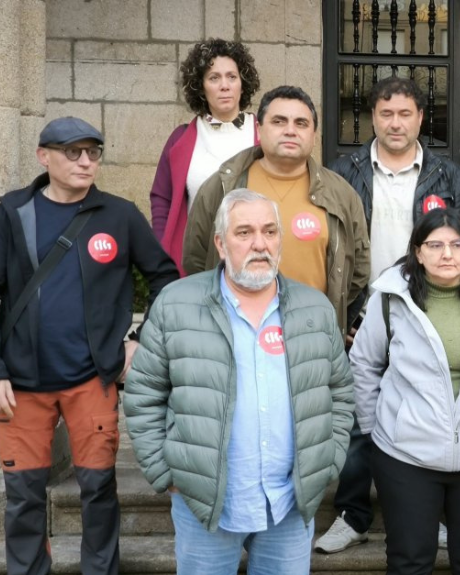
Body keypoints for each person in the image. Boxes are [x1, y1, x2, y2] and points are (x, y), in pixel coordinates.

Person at [0, 116, 179, 575]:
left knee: (98, 490)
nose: (86, 161)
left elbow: (166, 279)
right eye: (73, 152)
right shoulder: (11, 213)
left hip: (92, 379)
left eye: (93, 152)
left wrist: (139, 342)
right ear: (44, 156)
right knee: (23, 497)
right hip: (19, 384)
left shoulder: (119, 215)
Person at [124, 189, 354, 574]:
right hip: (206, 502)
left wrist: (326, 463)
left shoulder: (314, 308)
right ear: (220, 242)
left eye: (269, 231)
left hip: (288, 504)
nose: (259, 244)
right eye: (244, 232)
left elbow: (341, 392)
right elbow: (144, 395)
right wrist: (165, 473)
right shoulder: (176, 304)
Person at [315, 76, 460, 554]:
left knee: (427, 413)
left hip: (428, 311)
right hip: (364, 311)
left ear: (421, 119)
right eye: (386, 114)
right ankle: (351, 513)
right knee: (358, 417)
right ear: (372, 117)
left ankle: (432, 516)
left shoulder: (450, 177)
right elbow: (331, 249)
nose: (395, 123)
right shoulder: (343, 173)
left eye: (405, 114)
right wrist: (342, 312)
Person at [348, 209, 460, 574]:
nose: (447, 254)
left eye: (457, 244)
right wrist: (372, 427)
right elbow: (364, 364)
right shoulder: (391, 298)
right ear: (417, 251)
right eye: (436, 245)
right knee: (409, 561)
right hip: (406, 455)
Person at [183, 85, 370, 337]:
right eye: (279, 121)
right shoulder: (222, 186)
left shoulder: (341, 194)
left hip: (312, 335)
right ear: (259, 129)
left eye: (301, 123)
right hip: (236, 333)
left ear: (314, 134)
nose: (290, 130)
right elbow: (197, 260)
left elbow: (357, 269)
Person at [150, 38, 261, 274]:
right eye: (214, 78)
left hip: (254, 259)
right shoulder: (181, 139)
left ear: (243, 83)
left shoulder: (263, 134)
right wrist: (164, 247)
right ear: (200, 87)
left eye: (232, 76)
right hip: (195, 263)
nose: (224, 85)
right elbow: (161, 198)